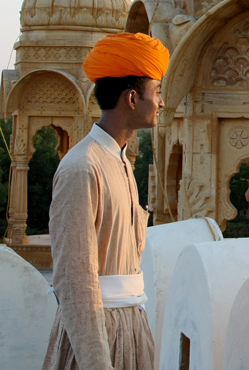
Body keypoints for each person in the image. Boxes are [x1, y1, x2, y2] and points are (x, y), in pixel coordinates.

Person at [43, 32, 169, 370]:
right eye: (156, 92)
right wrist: (96, 361)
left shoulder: (121, 161)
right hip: (97, 337)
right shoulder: (82, 166)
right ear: (131, 98)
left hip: (130, 327)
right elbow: (74, 280)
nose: (161, 102)